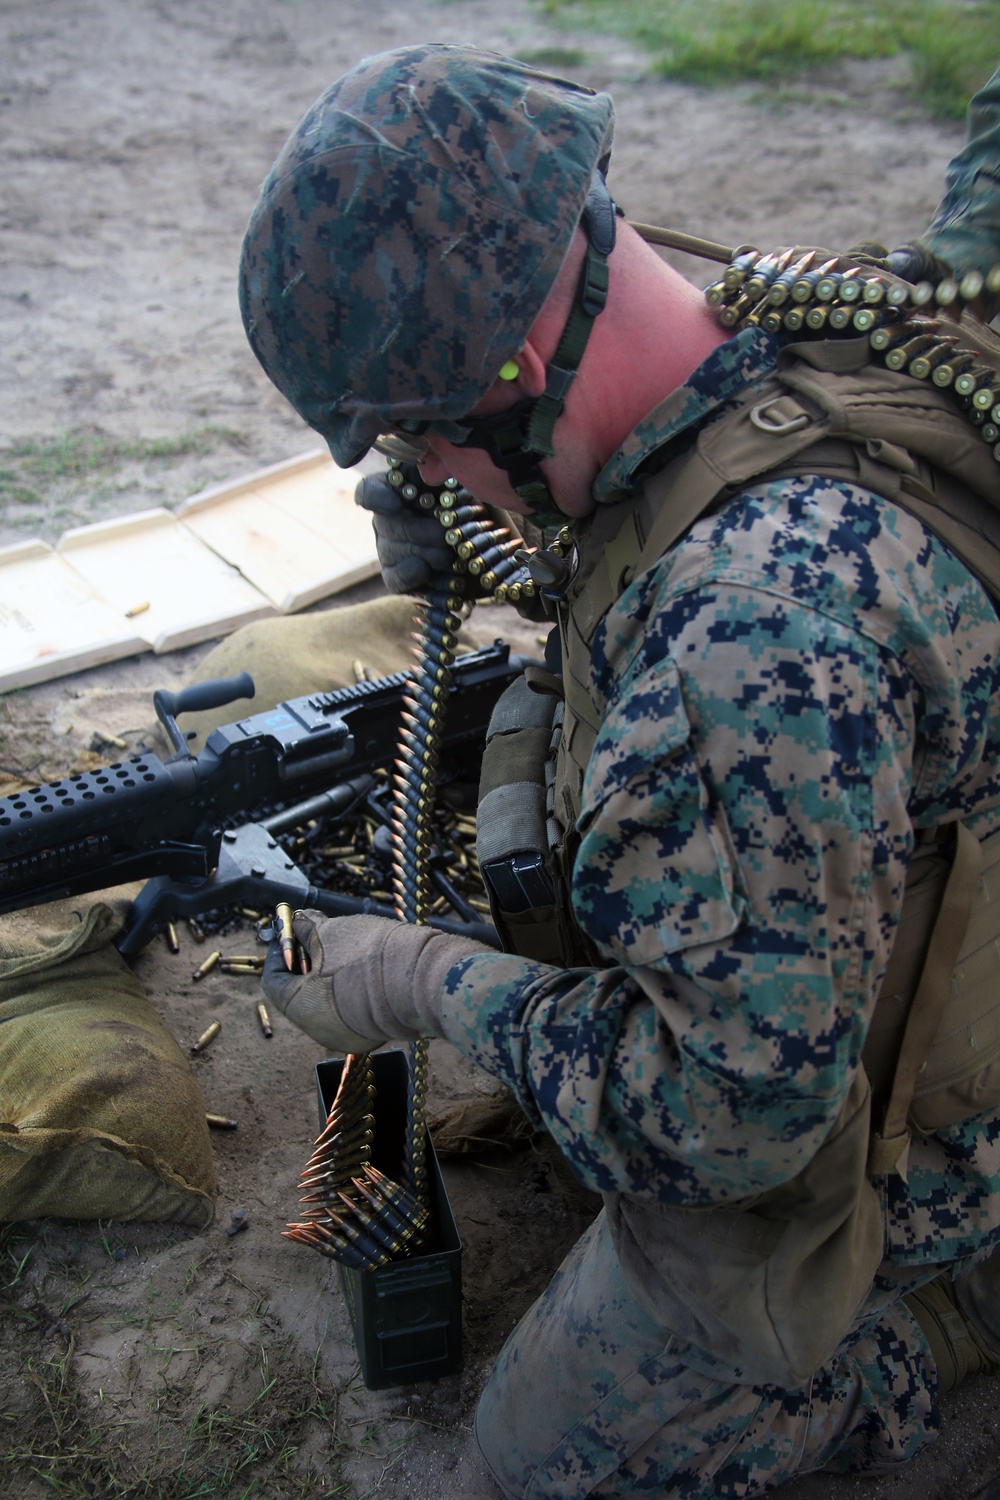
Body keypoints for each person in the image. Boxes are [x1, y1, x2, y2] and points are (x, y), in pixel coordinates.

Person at [240, 44, 1000, 1496]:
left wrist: (418, 978)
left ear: (514, 376)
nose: (423, 480)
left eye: (421, 441)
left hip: (903, 1110)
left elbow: (722, 1126)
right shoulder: (829, 335)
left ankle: (926, 1316)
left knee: (527, 1470)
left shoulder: (749, 635)